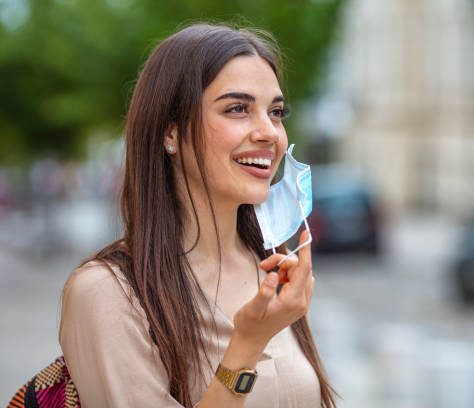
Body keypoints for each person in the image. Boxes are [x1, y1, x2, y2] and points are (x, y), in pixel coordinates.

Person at [58, 23, 337, 408]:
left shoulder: (272, 267)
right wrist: (248, 345)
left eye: (275, 112)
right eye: (238, 109)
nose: (269, 132)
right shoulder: (108, 293)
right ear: (170, 131)